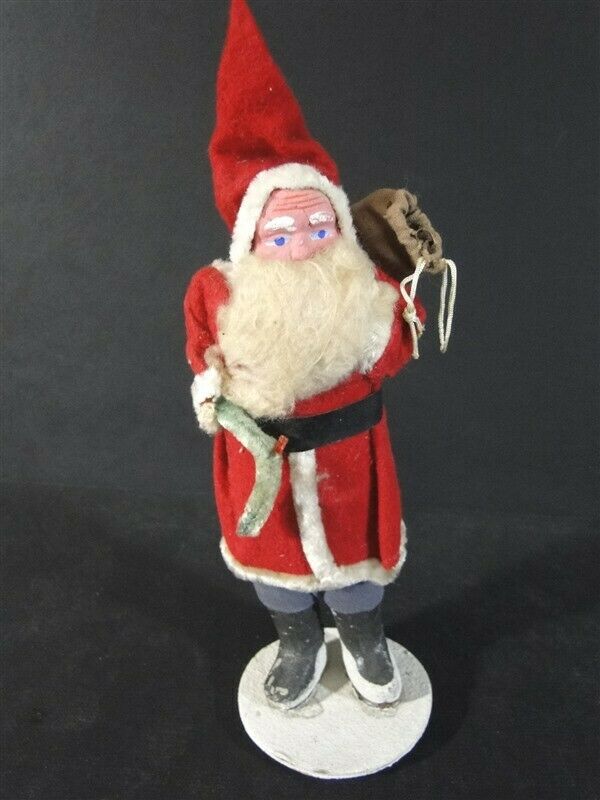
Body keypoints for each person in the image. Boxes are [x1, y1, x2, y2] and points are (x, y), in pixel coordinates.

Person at [184, 0, 454, 709]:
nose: (303, 246)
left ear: (339, 222)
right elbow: (202, 353)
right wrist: (211, 389)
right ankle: (296, 643)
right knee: (277, 570)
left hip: (352, 463)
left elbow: (394, 349)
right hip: (262, 470)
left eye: (317, 226)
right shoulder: (216, 291)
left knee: (358, 567)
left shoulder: (366, 288)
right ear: (251, 242)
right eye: (281, 235)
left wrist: (394, 305)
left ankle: (363, 638)